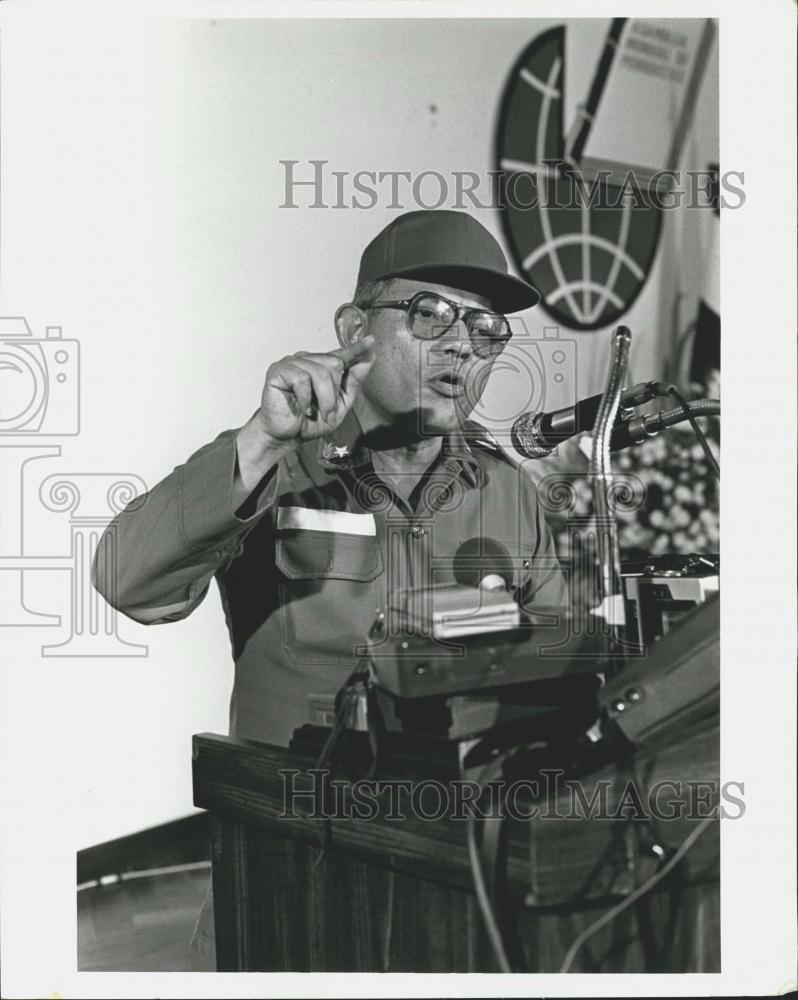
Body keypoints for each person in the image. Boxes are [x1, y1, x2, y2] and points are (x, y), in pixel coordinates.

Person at [92, 209, 570, 966]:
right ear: (354, 328)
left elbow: (558, 672)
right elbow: (126, 582)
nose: (461, 344)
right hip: (289, 874)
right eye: (430, 313)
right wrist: (261, 440)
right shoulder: (274, 464)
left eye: (486, 330)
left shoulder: (507, 490)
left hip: (452, 878)